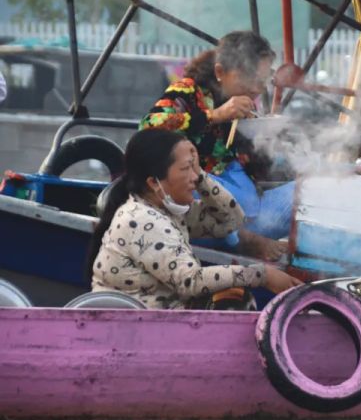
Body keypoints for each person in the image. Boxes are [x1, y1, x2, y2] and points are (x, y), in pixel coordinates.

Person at [87, 129, 300, 309]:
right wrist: (262, 275)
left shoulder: (170, 210)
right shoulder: (141, 219)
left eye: (193, 168)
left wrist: (202, 177)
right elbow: (191, 281)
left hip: (161, 320)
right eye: (185, 169)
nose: (193, 179)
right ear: (153, 182)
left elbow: (232, 221)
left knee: (236, 296)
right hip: (136, 329)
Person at [140, 31, 294, 260]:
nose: (256, 88)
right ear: (220, 72)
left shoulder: (245, 102)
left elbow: (248, 161)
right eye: (250, 78)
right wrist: (214, 115)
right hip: (202, 217)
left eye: (262, 80)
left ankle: (246, 236)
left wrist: (268, 140)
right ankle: (244, 241)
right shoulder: (188, 91)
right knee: (207, 200)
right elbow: (149, 128)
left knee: (308, 192)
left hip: (249, 212)